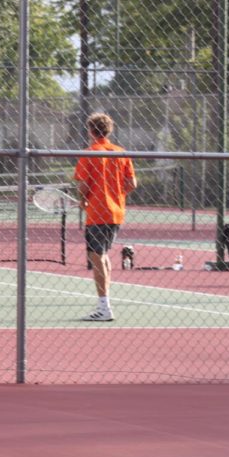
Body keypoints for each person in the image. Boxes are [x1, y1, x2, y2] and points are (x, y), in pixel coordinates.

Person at [73, 112, 137, 321]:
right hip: (116, 212)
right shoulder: (120, 153)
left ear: (91, 131)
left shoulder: (90, 153)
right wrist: (115, 195)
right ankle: (104, 304)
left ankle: (104, 307)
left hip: (98, 213)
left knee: (96, 256)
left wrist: (83, 199)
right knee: (104, 255)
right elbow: (131, 184)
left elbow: (83, 184)